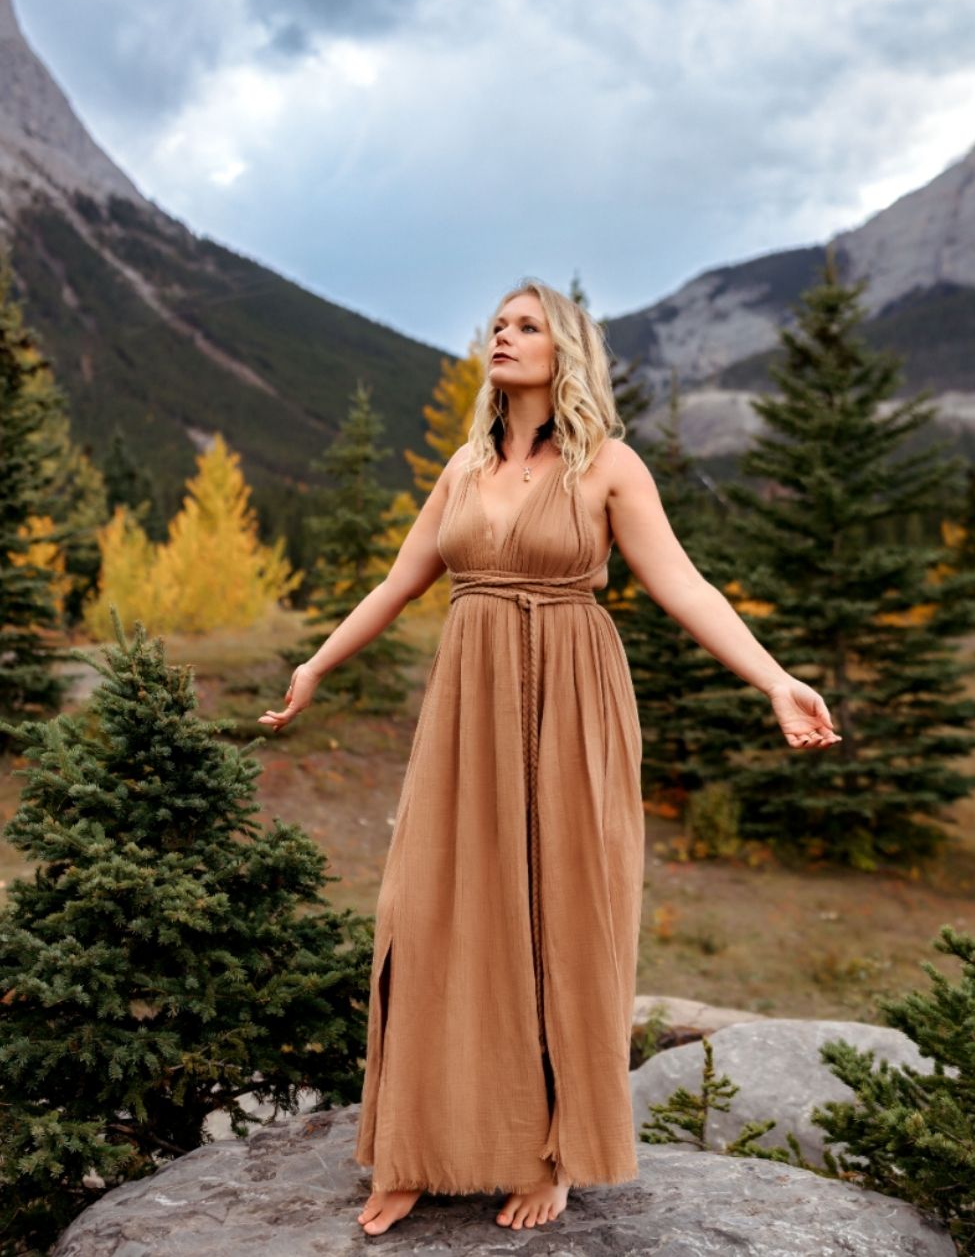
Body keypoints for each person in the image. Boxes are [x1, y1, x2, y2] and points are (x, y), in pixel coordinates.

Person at [258, 278, 840, 1237]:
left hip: (572, 702)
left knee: (563, 921)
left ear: (565, 350)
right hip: (467, 712)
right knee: (427, 911)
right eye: (497, 324)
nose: (503, 335)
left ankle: (555, 1155)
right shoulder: (462, 468)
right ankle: (415, 1149)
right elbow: (399, 583)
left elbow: (684, 585)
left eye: (526, 325)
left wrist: (776, 681)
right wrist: (316, 665)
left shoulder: (609, 466)